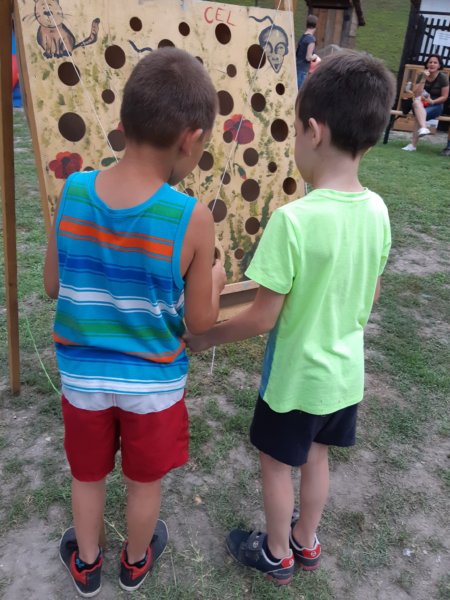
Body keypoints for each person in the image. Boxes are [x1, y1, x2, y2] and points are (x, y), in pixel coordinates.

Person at [186, 50, 394, 585]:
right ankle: (306, 539)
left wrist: (206, 338)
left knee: (277, 464)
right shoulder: (378, 210)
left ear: (313, 131)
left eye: (296, 131)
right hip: (344, 379)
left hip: (294, 383)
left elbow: (261, 318)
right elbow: (369, 296)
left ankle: (277, 552)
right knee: (317, 457)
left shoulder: (293, 221)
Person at [44, 47, 226, 597]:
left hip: (83, 380)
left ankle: (87, 565)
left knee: (87, 475)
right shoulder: (191, 217)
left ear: (124, 121)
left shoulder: (74, 191)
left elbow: (52, 285)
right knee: (144, 482)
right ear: (192, 139)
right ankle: (136, 562)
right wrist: (216, 279)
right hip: (153, 388)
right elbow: (200, 322)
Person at [402, 54, 449, 151]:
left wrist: (433, 101)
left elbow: (444, 97)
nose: (432, 64)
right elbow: (416, 93)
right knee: (416, 103)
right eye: (430, 62)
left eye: (435, 62)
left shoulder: (443, 77)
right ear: (427, 64)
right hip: (421, 103)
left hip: (436, 105)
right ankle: (424, 128)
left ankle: (413, 145)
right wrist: (423, 78)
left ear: (439, 65)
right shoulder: (421, 75)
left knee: (419, 115)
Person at [296, 14, 318, 88]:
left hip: (297, 68)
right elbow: (308, 57)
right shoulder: (311, 39)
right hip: (302, 71)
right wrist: (315, 56)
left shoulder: (303, 36)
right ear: (315, 26)